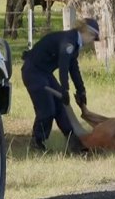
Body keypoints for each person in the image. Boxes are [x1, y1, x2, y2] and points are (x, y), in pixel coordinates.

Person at [21, 17, 100, 153]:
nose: (92, 41)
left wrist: (81, 91)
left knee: (62, 107)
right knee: (47, 109)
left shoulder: (74, 43)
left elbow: (73, 68)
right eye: (93, 37)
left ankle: (75, 142)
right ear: (87, 32)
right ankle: (36, 143)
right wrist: (65, 90)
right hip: (33, 72)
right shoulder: (69, 41)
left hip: (44, 72)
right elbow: (63, 66)